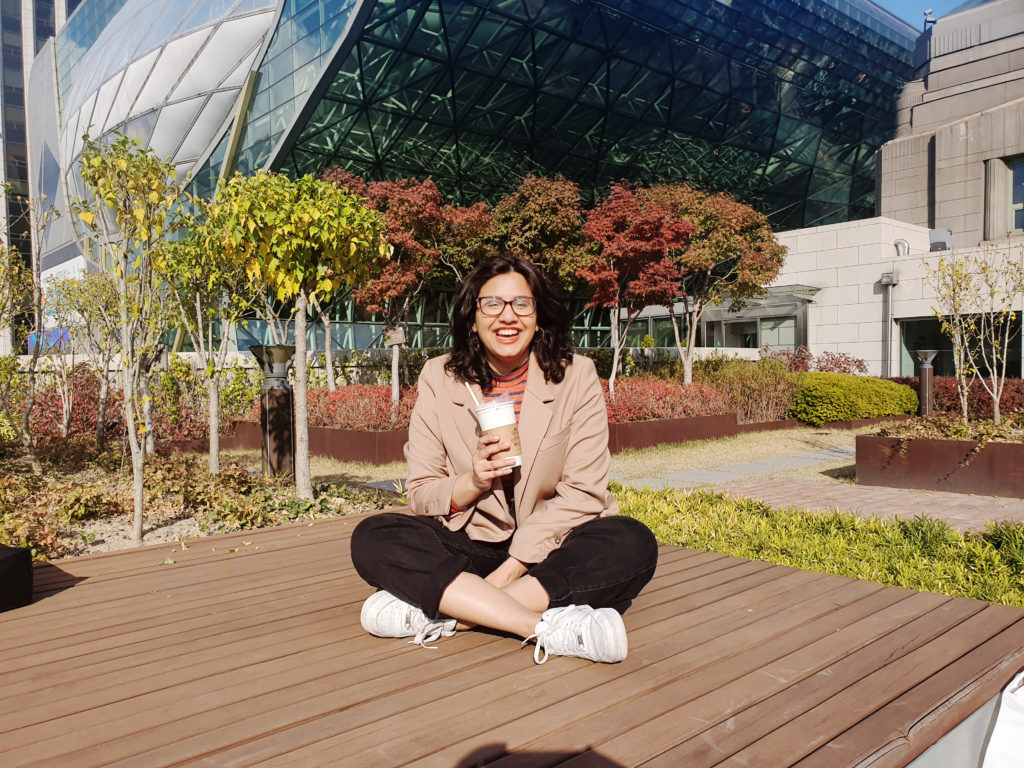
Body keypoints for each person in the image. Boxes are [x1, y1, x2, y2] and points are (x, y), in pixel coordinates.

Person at [350, 254, 658, 664]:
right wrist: (472, 481)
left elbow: (583, 493)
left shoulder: (575, 376)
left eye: (521, 304)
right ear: (472, 317)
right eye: (491, 304)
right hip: (473, 540)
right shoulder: (440, 378)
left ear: (539, 316)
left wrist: (508, 572)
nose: (507, 316)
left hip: (552, 545)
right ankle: (543, 627)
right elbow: (422, 493)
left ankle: (453, 611)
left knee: (631, 542)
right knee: (374, 535)